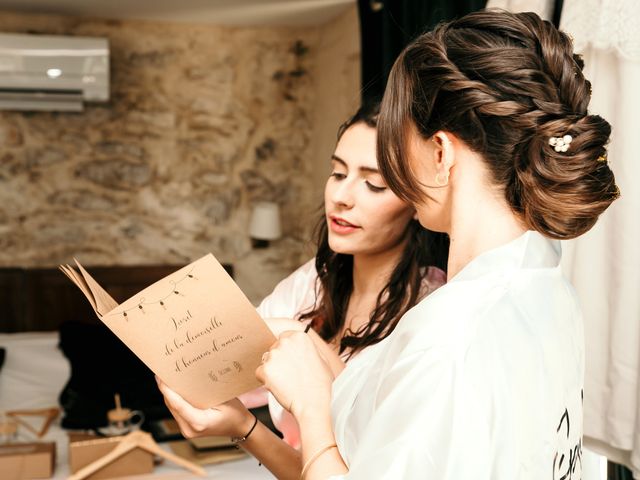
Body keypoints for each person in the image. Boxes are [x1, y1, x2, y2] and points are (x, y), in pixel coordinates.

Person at [252, 10, 618, 479]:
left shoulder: (448, 336)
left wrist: (310, 406)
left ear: (440, 153)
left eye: (396, 143)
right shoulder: (549, 290)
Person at [157, 103, 448, 478]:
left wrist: (299, 338)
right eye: (337, 172)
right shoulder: (309, 285)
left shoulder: (432, 312)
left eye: (373, 183)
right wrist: (236, 420)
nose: (341, 196)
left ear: (416, 203)